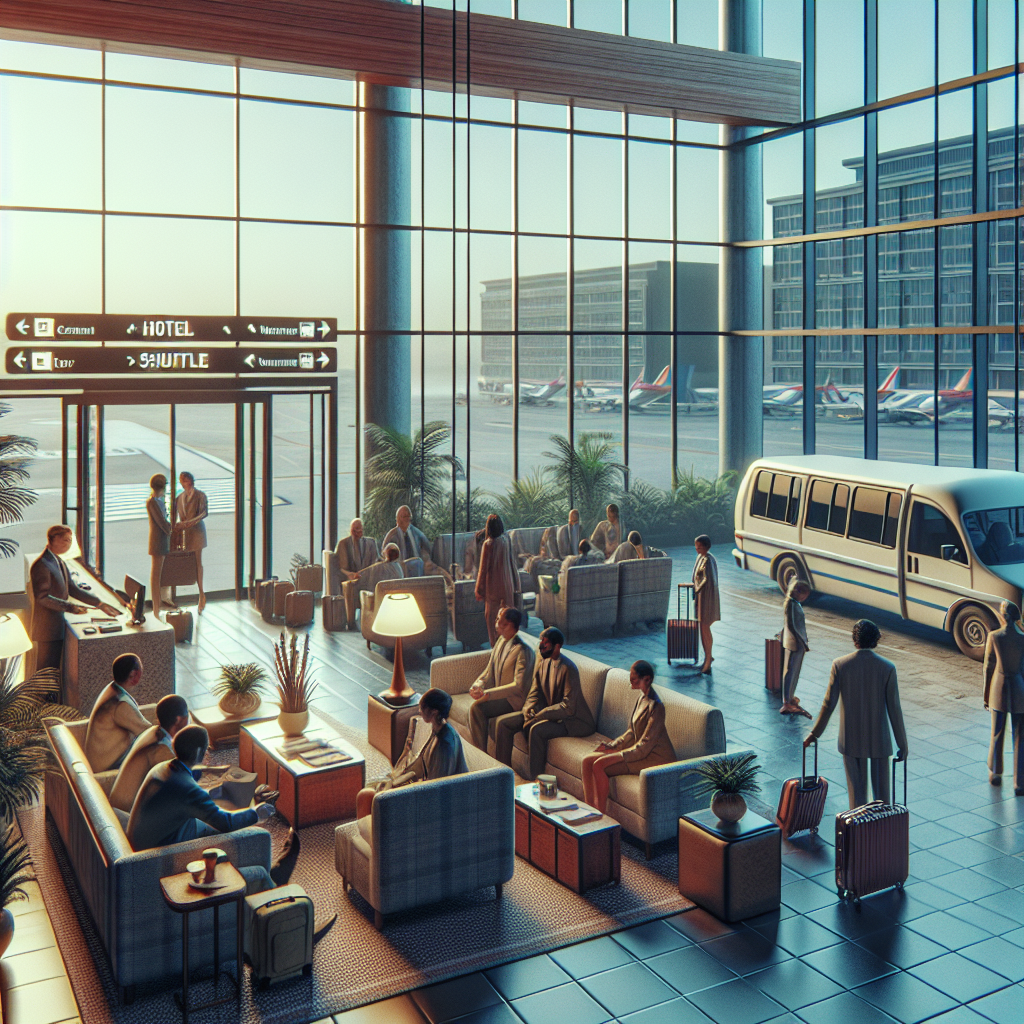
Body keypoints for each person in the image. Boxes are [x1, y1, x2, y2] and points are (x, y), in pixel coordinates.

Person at [804, 619, 908, 808]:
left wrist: (815, 733)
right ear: (877, 640)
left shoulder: (840, 665)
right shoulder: (887, 668)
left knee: (857, 796)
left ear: (854, 640)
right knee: (882, 799)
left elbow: (829, 704)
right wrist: (903, 744)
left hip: (851, 739)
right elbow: (894, 709)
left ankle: (859, 832)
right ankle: (880, 828)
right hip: (879, 739)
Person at [127, 724, 275, 848]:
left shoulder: (161, 767)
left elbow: (185, 775)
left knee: (211, 812)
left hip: (145, 837)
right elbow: (226, 823)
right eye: (205, 749)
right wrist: (257, 812)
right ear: (199, 751)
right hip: (159, 850)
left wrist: (211, 771)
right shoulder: (190, 792)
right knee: (234, 832)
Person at [495, 626, 595, 780]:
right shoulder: (543, 661)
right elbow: (534, 693)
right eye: (541, 641)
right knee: (503, 723)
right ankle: (503, 774)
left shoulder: (568, 668)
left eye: (545, 643)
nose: (541, 646)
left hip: (572, 720)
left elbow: (568, 707)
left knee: (536, 730)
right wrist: (528, 709)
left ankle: (536, 780)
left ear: (557, 646)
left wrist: (541, 715)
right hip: (548, 713)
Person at [355, 689, 468, 818]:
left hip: (436, 802)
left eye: (422, 707)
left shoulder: (445, 744)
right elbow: (420, 766)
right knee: (371, 789)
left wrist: (403, 789)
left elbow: (436, 786)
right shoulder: (439, 730)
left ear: (434, 711)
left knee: (366, 796)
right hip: (424, 788)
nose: (419, 711)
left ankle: (376, 834)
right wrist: (396, 781)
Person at [581, 660, 675, 813]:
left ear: (647, 679)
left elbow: (645, 746)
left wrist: (618, 755)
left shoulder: (657, 707)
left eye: (634, 678)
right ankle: (589, 809)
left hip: (654, 758)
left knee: (599, 765)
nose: (630, 680)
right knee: (587, 761)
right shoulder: (641, 698)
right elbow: (631, 732)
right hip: (639, 752)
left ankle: (600, 815)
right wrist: (611, 746)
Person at [29, 524, 118, 672]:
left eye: (70, 541)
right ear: (53, 539)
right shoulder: (42, 565)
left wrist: (99, 603)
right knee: (46, 675)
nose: (68, 544)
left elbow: (73, 589)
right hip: (47, 630)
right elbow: (42, 597)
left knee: (53, 673)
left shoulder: (59, 561)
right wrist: (71, 607)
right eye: (65, 540)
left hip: (55, 626)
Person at [468, 606, 535, 756]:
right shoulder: (500, 642)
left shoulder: (523, 651)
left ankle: (481, 755)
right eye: (498, 620)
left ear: (512, 625)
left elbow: (518, 686)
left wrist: (487, 694)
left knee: (477, 709)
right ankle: (481, 754)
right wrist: (478, 684)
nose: (496, 624)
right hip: (502, 697)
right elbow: (489, 669)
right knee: (476, 707)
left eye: (501, 622)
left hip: (514, 701)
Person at [109, 694, 189, 813]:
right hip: (127, 819)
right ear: (179, 720)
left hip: (118, 810)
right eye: (188, 715)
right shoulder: (161, 751)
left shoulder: (153, 732)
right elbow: (183, 789)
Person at [983, 601, 1024, 795]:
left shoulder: (995, 636)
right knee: (1020, 736)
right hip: (1019, 688)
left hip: (998, 688)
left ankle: (996, 773)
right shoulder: (1023, 638)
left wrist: (985, 695)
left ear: (1004, 615)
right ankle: (1020, 782)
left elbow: (989, 667)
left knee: (997, 732)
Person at [84, 654, 151, 773]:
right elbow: (150, 732)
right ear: (136, 675)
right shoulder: (120, 705)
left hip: (103, 761)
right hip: (107, 769)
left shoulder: (112, 688)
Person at [475, 513, 522, 647]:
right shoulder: (506, 541)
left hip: (493, 589)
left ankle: (496, 648)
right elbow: (512, 563)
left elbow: (483, 570)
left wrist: (479, 590)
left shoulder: (488, 544)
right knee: (509, 620)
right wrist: (516, 583)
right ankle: (509, 647)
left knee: (493, 621)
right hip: (508, 586)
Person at [382, 505, 451, 582]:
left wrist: (426, 560)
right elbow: (386, 557)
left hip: (419, 566)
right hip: (400, 569)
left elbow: (426, 549)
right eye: (404, 516)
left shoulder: (417, 533)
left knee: (438, 572)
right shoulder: (391, 536)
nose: (407, 519)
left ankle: (451, 584)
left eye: (409, 516)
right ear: (397, 519)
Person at [335, 518, 381, 626]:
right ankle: (351, 622)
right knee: (351, 585)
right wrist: (349, 574)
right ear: (351, 531)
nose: (357, 534)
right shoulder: (343, 544)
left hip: (368, 576)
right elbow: (340, 567)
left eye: (360, 531)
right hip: (352, 578)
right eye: (355, 531)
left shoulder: (371, 543)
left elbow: (377, 561)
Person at [174, 471, 209, 613]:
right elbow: (176, 515)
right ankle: (182, 596)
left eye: (188, 480)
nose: (186, 483)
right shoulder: (179, 498)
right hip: (185, 533)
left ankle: (201, 594)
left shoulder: (200, 495)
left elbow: (204, 513)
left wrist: (189, 523)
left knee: (197, 562)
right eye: (184, 481)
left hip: (197, 533)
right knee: (186, 563)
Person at [146, 474, 176, 621]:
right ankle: (156, 608)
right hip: (157, 540)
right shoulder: (152, 502)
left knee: (160, 574)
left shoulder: (159, 500)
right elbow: (161, 521)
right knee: (156, 575)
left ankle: (159, 605)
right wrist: (171, 529)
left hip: (162, 539)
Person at [780, 579, 812, 716]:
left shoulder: (794, 603)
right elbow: (793, 625)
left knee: (795, 671)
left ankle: (790, 696)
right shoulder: (792, 605)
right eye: (804, 595)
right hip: (796, 643)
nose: (805, 598)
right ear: (799, 593)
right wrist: (802, 642)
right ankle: (787, 701)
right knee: (791, 671)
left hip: (798, 642)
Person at [693, 534, 720, 674]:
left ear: (705, 547)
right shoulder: (702, 558)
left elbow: (706, 581)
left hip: (706, 598)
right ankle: (708, 656)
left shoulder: (708, 560)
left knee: (704, 627)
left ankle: (708, 659)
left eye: (699, 546)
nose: (697, 548)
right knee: (703, 628)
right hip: (702, 597)